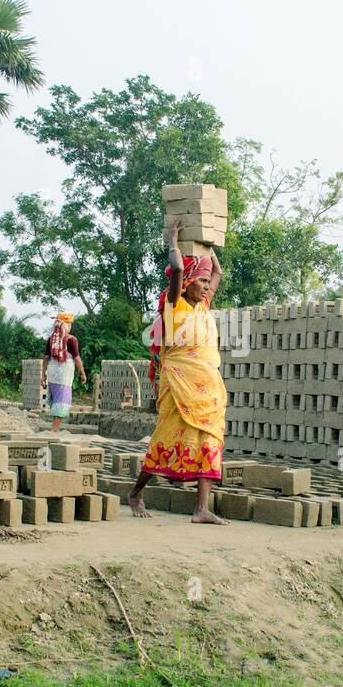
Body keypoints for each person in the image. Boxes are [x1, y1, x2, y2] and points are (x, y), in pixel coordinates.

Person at [130, 220, 228, 524]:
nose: (207, 287)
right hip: (178, 386)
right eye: (201, 283)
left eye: (206, 284)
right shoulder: (176, 306)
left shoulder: (204, 306)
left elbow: (218, 272)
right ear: (187, 284)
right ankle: (136, 493)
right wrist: (174, 241)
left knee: (209, 440)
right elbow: (178, 270)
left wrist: (206, 243)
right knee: (166, 438)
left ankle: (201, 509)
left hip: (207, 389)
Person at [41, 312, 87, 432]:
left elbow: (46, 358)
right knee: (63, 400)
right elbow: (77, 358)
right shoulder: (71, 340)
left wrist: (43, 375)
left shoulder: (51, 339)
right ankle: (55, 429)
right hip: (64, 375)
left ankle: (54, 427)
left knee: (56, 399)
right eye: (70, 324)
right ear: (66, 325)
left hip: (52, 373)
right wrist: (82, 373)